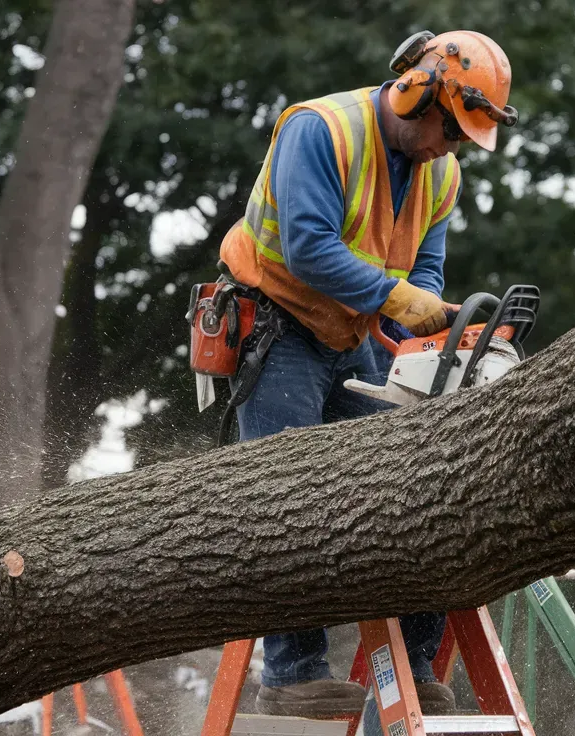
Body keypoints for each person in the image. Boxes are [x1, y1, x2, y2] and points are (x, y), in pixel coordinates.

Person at [215, 29, 517, 718]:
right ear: (417, 93)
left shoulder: (442, 171)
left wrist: (425, 317)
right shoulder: (320, 130)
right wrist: (395, 297)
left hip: (354, 333)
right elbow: (310, 246)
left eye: (467, 137)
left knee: (422, 477)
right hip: (278, 320)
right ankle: (291, 671)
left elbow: (426, 267)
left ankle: (414, 662)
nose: (454, 145)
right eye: (451, 129)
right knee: (284, 490)